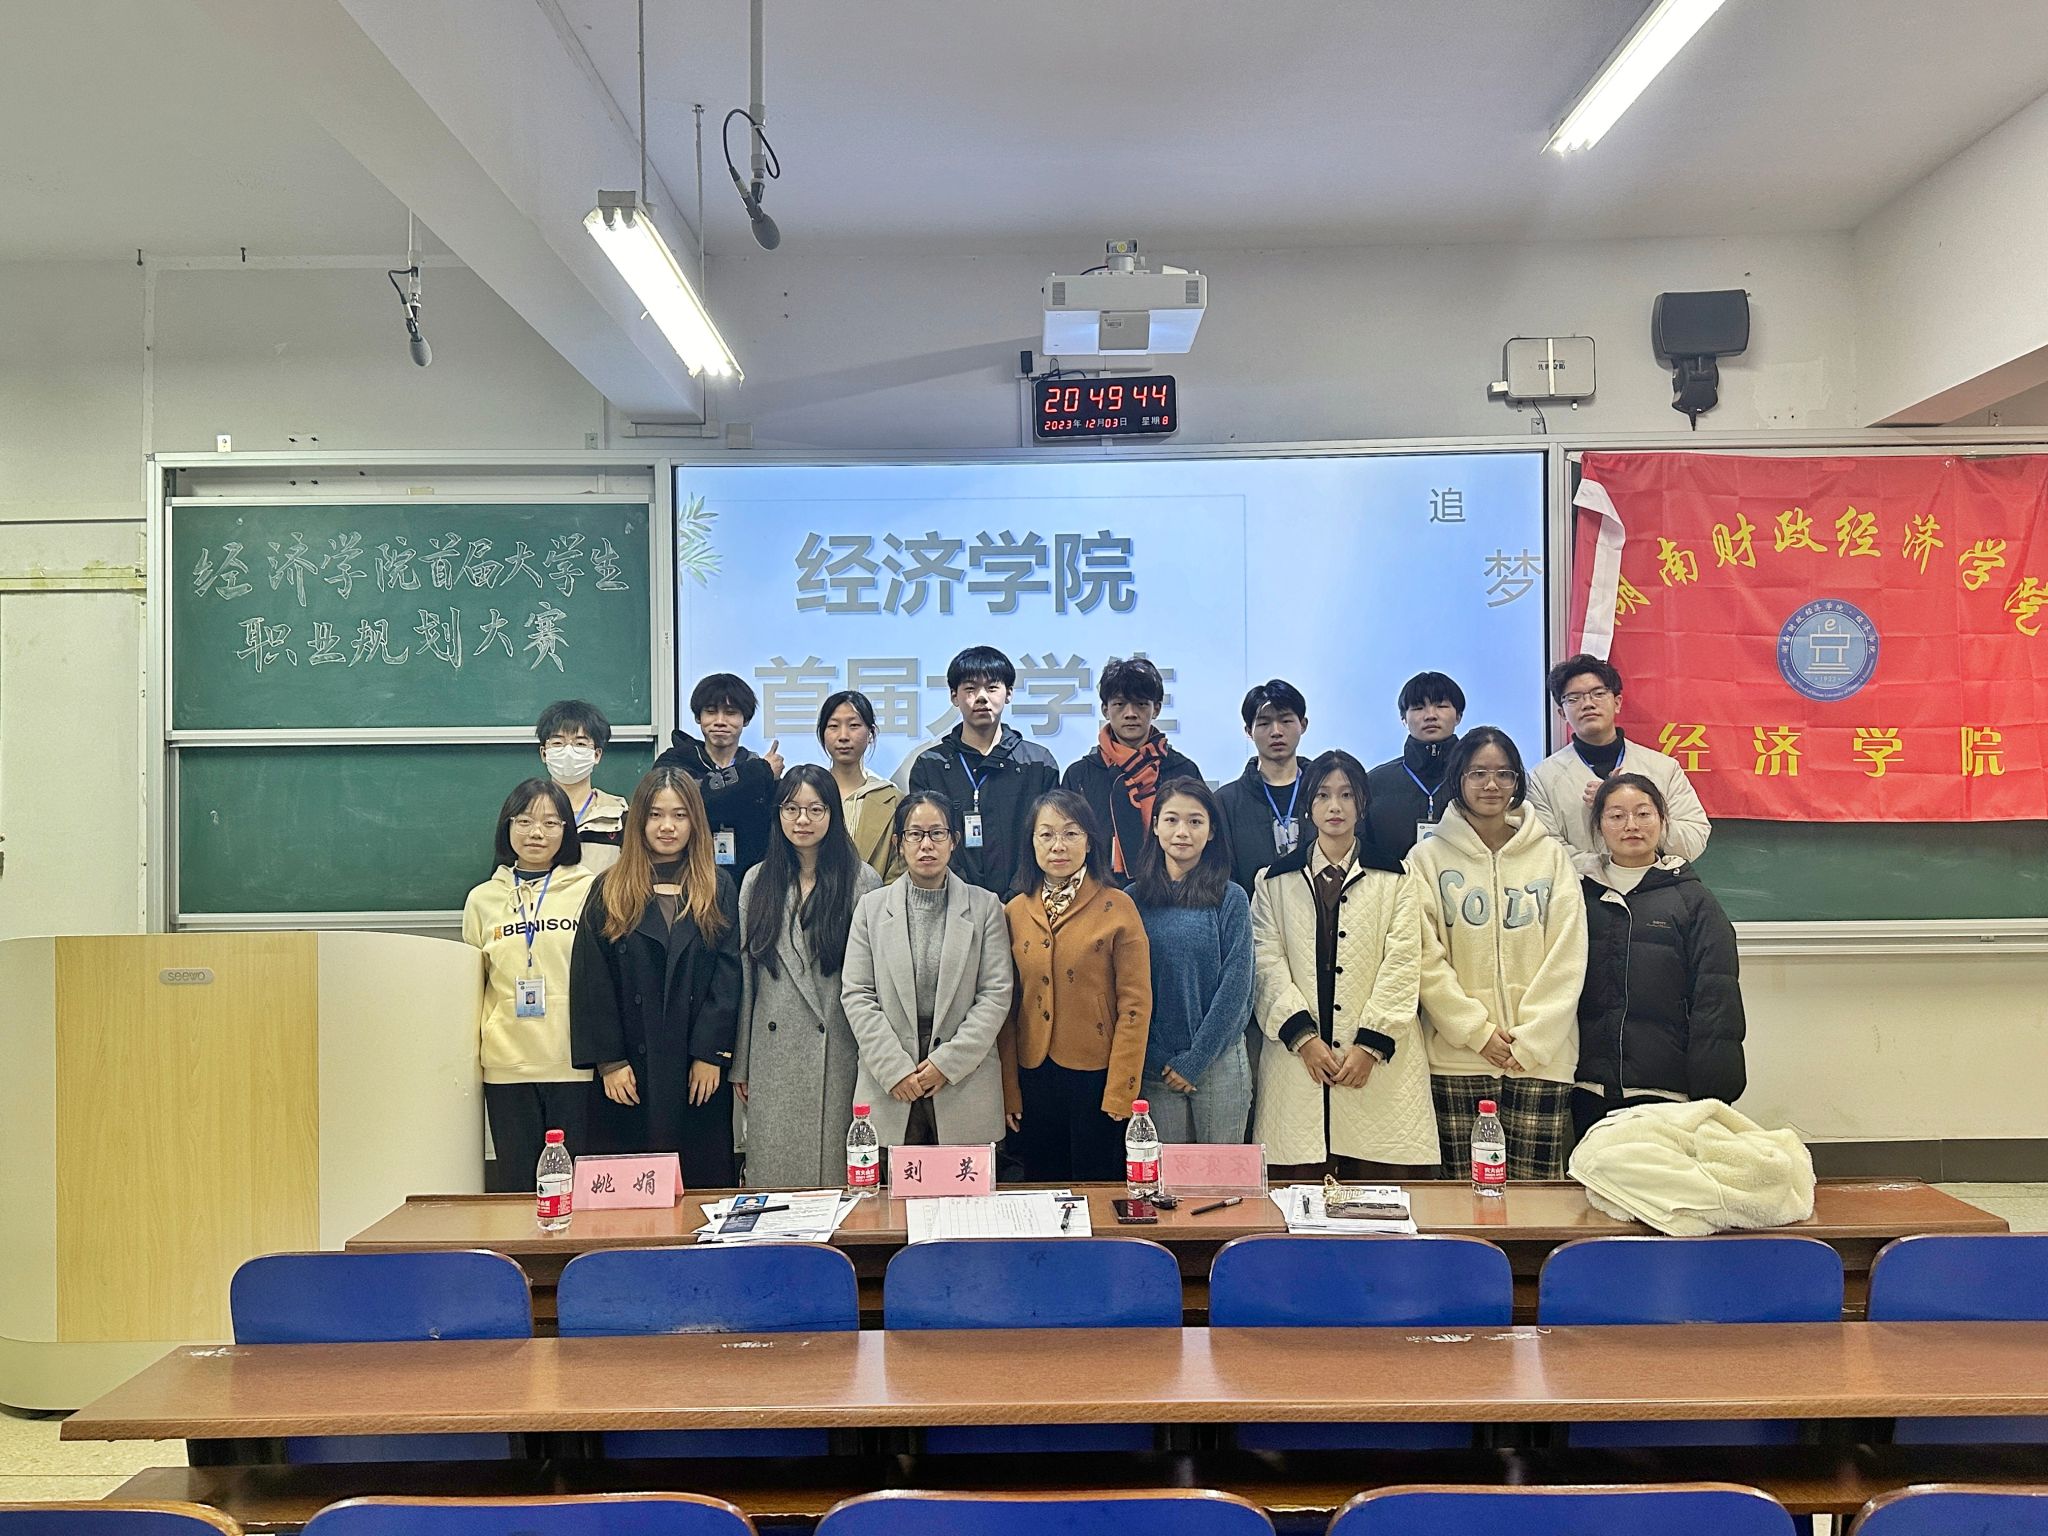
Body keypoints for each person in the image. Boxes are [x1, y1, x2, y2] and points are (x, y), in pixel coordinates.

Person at [1407, 727, 1587, 1181]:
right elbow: (1424, 958)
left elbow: (1568, 953)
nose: (1491, 784)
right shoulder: (1426, 858)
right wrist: (1476, 1031)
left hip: (1541, 1057)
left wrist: (1533, 1039)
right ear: (1458, 778)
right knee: (1460, 1196)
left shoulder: (1550, 856)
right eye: (1478, 773)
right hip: (1457, 1057)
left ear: (1517, 781)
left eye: (1504, 774)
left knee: (1535, 1197)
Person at [1250, 751, 1436, 1179]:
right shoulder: (1273, 880)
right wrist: (1303, 1038)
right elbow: (1266, 963)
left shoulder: (1398, 877)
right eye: (1323, 795)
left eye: (1347, 795)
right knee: (1297, 1200)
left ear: (1362, 803)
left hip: (1378, 1066)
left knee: (1383, 1200)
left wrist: (1370, 1044)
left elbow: (1403, 963)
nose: (1335, 806)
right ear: (1308, 805)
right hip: (1298, 1063)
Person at [569, 766, 741, 1184]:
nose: (668, 827)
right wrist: (610, 1062)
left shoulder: (717, 887)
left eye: (680, 815)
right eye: (656, 814)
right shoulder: (609, 888)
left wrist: (710, 1055)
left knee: (700, 1186)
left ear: (695, 822)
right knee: (632, 1189)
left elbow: (728, 975)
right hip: (629, 1071)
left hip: (695, 1071)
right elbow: (592, 980)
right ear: (639, 821)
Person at [1575, 772, 1746, 1142]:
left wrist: (1714, 1090)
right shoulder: (1576, 896)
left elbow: (1716, 1000)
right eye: (1616, 816)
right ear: (1599, 826)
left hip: (1665, 1088)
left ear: (1663, 820)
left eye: (1643, 813)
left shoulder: (1693, 901)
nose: (1631, 825)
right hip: (1585, 1084)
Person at [732, 766, 881, 1188]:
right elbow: (747, 978)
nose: (803, 820)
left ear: (833, 814)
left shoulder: (862, 881)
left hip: (839, 1047)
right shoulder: (756, 881)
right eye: (791, 808)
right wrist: (742, 1062)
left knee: (839, 1181)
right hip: (772, 1053)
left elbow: (872, 981)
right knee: (775, 1183)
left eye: (816, 809)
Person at [841, 791, 1013, 1148]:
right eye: (914, 834)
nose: (926, 845)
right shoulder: (871, 909)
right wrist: (894, 1069)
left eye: (937, 833)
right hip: (891, 1083)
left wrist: (947, 1065)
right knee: (892, 1185)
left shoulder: (985, 907)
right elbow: (857, 994)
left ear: (954, 841)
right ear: (898, 844)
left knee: (964, 1184)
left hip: (964, 1080)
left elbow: (995, 996)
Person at [998, 789, 1152, 1181]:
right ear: (1032, 842)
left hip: (1097, 1076)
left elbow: (1135, 1007)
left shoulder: (1118, 906)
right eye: (1046, 834)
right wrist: (1009, 1089)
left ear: (1090, 841)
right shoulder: (1014, 910)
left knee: (1098, 1191)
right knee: (1041, 1190)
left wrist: (1122, 1089)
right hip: (1034, 1075)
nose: (1058, 846)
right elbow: (1007, 1009)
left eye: (1071, 833)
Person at [462, 778, 596, 1191]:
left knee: (573, 1187)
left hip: (572, 1062)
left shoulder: (590, 890)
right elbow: (472, 985)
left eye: (550, 823)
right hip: (506, 1064)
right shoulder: (482, 899)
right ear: (507, 826)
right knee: (517, 1187)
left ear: (566, 831)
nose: (536, 832)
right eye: (524, 821)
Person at [1128, 778, 1254, 1144]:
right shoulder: (1132, 899)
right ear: (1155, 826)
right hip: (1155, 1067)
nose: (1182, 831)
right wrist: (1155, 1055)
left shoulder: (1231, 898)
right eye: (1171, 820)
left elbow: (1237, 986)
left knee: (1221, 1175)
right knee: (1163, 1175)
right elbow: (1123, 986)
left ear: (1211, 831)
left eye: (1195, 821)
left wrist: (1197, 1058)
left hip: (1218, 1062)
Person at [1526, 653, 1711, 866]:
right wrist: (1610, 868)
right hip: (1580, 885)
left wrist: (1638, 814)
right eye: (1573, 698)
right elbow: (1545, 849)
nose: (1588, 704)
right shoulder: (1542, 779)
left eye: (1598, 693)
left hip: (1653, 883)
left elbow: (1694, 839)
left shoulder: (1664, 768)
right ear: (1561, 713)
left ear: (1617, 702)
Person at [907, 646, 1059, 896]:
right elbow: (927, 839)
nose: (981, 697)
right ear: (954, 696)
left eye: (992, 687)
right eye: (970, 688)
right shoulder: (931, 765)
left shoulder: (1038, 763)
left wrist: (1016, 895)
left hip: (1026, 900)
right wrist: (969, 898)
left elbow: (1049, 837)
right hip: (950, 900)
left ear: (1009, 693)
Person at [1060, 657, 1204, 885]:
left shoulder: (1182, 770)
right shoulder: (1080, 775)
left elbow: (1202, 834)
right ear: (1105, 709)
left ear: (1156, 709)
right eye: (1119, 704)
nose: (1130, 713)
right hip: (1099, 892)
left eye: (1141, 704)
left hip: (1173, 890)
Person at [653, 673, 786, 879]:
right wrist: (759, 773)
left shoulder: (759, 770)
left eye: (731, 713)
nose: (720, 721)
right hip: (688, 877)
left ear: (745, 719)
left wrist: (765, 777)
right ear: (698, 717)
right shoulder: (674, 762)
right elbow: (697, 799)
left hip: (750, 881)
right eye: (711, 712)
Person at [1215, 679, 1311, 896]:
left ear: (1303, 724)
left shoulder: (1324, 793)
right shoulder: (1226, 802)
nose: (1276, 731)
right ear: (1249, 731)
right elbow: (1224, 876)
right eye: (1264, 723)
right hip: (1253, 914)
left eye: (1286, 720)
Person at [1365, 671, 1464, 859]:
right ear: (1403, 718)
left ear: (1458, 716)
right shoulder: (1374, 783)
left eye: (1441, 706)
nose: (1430, 715)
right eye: (1418, 708)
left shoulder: (1476, 779)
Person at [818, 690, 903, 882]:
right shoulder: (807, 794)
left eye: (854, 725)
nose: (843, 736)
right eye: (833, 726)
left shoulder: (892, 799)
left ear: (871, 733)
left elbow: (899, 868)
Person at [536, 699, 629, 873]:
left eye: (580, 744)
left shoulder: (620, 817)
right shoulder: (526, 813)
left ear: (597, 755)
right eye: (558, 743)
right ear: (544, 753)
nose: (568, 752)